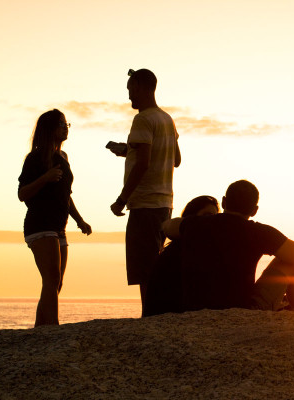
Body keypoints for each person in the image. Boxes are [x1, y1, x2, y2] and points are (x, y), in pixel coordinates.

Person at [162, 180, 294, 312]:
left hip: (195, 309)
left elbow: (167, 227)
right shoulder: (259, 232)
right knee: (290, 263)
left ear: (223, 202)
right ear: (254, 210)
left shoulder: (196, 225)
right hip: (243, 310)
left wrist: (187, 225)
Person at [109, 68, 181, 314]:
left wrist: (121, 199)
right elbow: (176, 158)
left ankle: (150, 315)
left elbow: (143, 163)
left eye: (131, 90)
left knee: (145, 268)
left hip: (145, 204)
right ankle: (156, 313)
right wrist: (128, 149)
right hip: (165, 203)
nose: (130, 97)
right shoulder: (167, 119)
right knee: (156, 262)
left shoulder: (143, 119)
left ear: (141, 86)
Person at [18, 109, 92, 326]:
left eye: (66, 123)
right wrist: (45, 177)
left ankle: (41, 329)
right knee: (51, 280)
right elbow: (22, 194)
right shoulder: (35, 158)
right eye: (61, 124)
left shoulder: (63, 157)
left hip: (60, 226)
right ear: (50, 129)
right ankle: (52, 329)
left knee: (55, 283)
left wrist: (79, 220)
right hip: (40, 225)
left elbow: (65, 195)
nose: (65, 127)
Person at [143, 195, 219, 317]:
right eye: (207, 216)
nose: (210, 222)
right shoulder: (178, 251)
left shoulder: (196, 249)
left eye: (214, 218)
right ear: (190, 218)